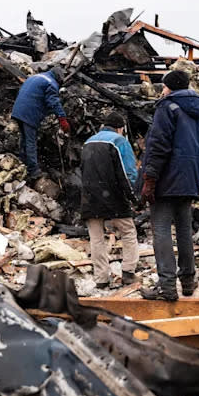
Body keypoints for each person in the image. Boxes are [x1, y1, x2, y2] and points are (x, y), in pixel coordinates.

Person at [138, 69, 199, 301]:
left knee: (161, 230)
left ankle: (167, 287)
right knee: (184, 230)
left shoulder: (167, 107)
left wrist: (150, 178)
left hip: (167, 177)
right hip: (190, 177)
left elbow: (158, 146)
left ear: (168, 87)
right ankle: (188, 281)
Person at [80, 112, 139, 289]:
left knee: (96, 238)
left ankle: (101, 279)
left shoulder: (88, 142)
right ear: (120, 128)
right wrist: (134, 197)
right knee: (128, 232)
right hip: (114, 196)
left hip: (89, 197)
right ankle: (128, 271)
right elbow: (128, 172)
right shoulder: (119, 141)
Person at [10, 66, 70, 180]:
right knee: (31, 142)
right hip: (29, 113)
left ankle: (22, 163)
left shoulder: (36, 77)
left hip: (18, 110)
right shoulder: (51, 83)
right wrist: (62, 118)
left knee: (24, 139)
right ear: (58, 78)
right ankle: (34, 171)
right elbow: (53, 102)